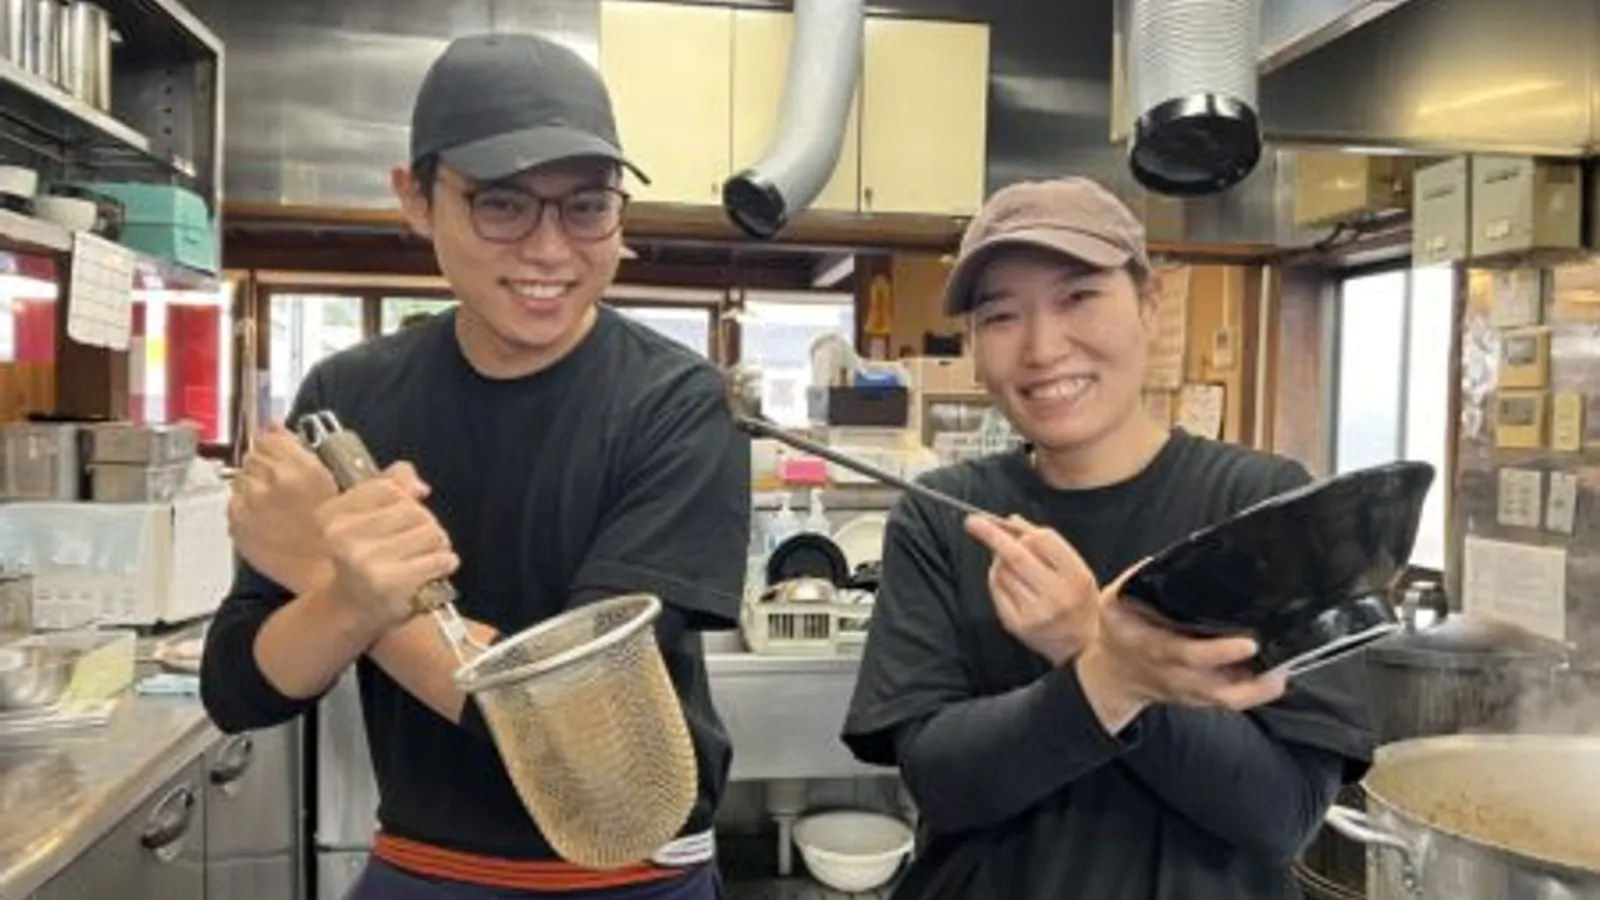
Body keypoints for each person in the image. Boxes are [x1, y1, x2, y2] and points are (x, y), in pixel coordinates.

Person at [200, 32, 750, 900]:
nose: (549, 249)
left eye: (586, 206)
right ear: (415, 199)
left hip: (628, 875)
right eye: (501, 203)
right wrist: (345, 593)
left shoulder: (677, 404)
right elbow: (242, 689)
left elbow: (593, 746)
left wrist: (328, 574)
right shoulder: (346, 398)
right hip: (421, 865)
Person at [840, 178, 1372, 900]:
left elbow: (1280, 816)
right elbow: (942, 784)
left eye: (1078, 297)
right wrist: (1106, 676)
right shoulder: (946, 516)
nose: (1041, 347)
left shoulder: (1263, 505)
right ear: (974, 343)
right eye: (1001, 315)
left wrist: (1095, 644)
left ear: (1150, 304)